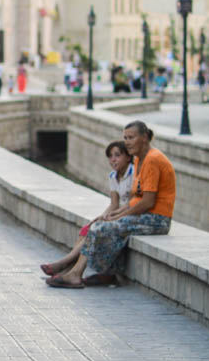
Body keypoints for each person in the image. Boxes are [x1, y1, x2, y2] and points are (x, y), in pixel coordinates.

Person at [46, 121, 175, 289]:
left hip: (157, 219)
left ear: (144, 138)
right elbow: (136, 199)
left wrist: (120, 216)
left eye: (131, 137)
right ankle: (101, 273)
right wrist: (116, 213)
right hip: (144, 215)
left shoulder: (152, 159)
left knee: (103, 228)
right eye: (125, 138)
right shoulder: (138, 160)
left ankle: (75, 273)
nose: (127, 142)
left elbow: (148, 202)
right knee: (101, 224)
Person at [40, 141, 133, 281]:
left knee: (94, 231)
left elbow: (131, 204)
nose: (113, 159)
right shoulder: (113, 176)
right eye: (110, 156)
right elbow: (114, 203)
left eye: (117, 155)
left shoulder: (133, 173)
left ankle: (63, 264)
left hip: (126, 215)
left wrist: (112, 216)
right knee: (87, 228)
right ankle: (68, 269)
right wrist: (102, 216)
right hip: (116, 214)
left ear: (128, 157)